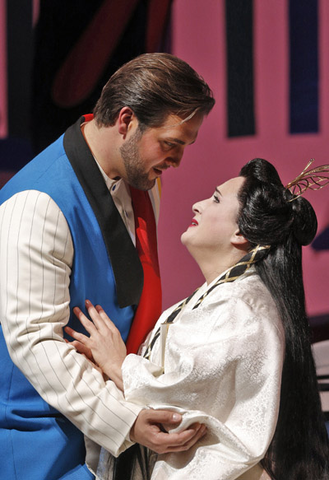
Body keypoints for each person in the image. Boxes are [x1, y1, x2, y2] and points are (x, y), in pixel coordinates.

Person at [0, 53, 215, 479]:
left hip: (109, 424)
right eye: (171, 143)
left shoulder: (141, 179)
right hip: (39, 440)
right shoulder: (37, 203)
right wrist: (126, 421)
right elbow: (36, 342)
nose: (177, 161)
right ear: (126, 120)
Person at [68, 158, 329, 479]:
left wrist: (117, 365)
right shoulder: (224, 296)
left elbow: (177, 395)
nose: (197, 205)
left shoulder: (243, 308)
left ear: (239, 232)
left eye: (216, 199)